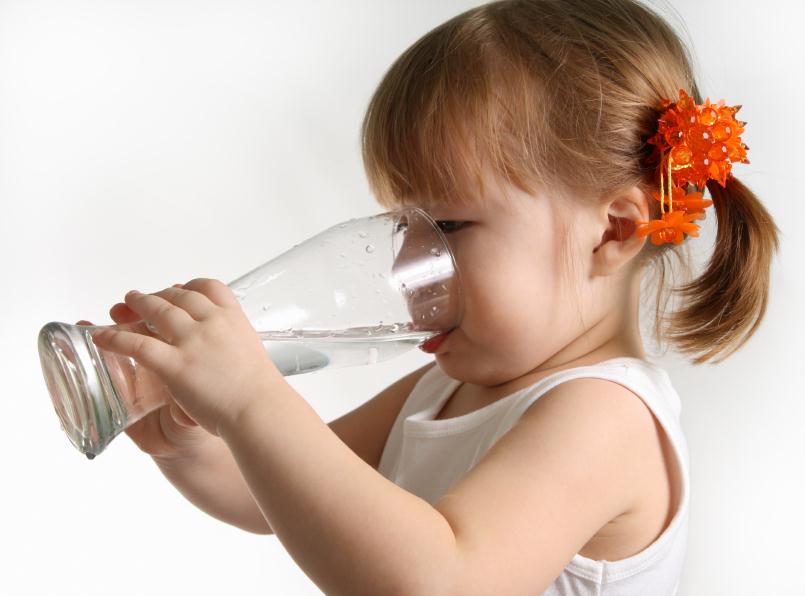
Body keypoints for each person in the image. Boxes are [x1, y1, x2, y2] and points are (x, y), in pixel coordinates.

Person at [78, 0, 780, 593]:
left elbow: (438, 579)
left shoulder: (603, 416)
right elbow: (281, 497)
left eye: (447, 225)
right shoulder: (445, 385)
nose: (408, 265)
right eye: (401, 227)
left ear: (614, 231)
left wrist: (251, 400)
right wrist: (192, 442)